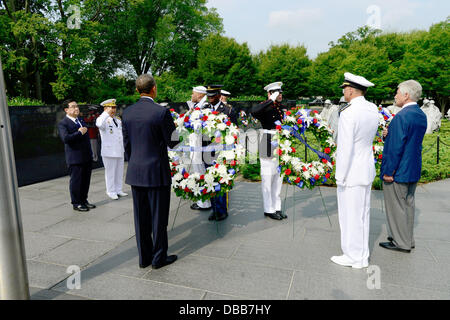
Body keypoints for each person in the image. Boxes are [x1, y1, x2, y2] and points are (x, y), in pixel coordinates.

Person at [122, 74, 178, 269]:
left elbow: (127, 145)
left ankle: (144, 258)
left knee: (141, 218)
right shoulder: (161, 112)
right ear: (153, 88)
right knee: (158, 218)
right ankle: (158, 258)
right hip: (156, 172)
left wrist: (136, 161)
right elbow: (174, 141)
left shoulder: (127, 112)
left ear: (138, 90)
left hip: (136, 171)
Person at [331, 72, 379, 269]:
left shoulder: (350, 112)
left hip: (351, 172)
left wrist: (339, 176)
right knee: (362, 215)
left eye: (345, 89)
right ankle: (361, 255)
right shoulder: (372, 108)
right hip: (366, 168)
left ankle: (352, 256)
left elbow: (345, 148)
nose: (344, 92)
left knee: (350, 216)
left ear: (350, 90)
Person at [379, 80, 427, 253]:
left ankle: (401, 242)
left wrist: (388, 171)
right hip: (412, 167)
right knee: (408, 205)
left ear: (406, 95)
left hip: (398, 170)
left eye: (397, 92)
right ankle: (408, 239)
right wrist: (389, 134)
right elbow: (409, 140)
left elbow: (395, 148)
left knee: (396, 208)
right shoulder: (419, 114)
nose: (395, 95)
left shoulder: (401, 116)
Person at [250, 82, 287, 221]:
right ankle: (268, 209)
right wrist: (270, 100)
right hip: (267, 140)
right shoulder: (265, 106)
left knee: (278, 176)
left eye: (281, 92)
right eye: (277, 93)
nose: (280, 95)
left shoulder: (280, 108)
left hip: (281, 141)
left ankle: (276, 207)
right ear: (270, 94)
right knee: (267, 176)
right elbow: (254, 112)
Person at [203, 84, 238, 221]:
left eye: (212, 95)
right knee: (210, 179)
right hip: (207, 150)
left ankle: (222, 210)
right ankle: (215, 209)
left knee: (222, 180)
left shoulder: (228, 110)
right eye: (208, 96)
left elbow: (235, 130)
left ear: (218, 95)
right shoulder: (204, 109)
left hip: (223, 151)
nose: (210, 98)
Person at [58, 100, 96, 212]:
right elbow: (65, 138)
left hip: (86, 156)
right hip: (75, 157)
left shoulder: (80, 120)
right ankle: (76, 203)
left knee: (85, 180)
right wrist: (79, 133)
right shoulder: (63, 123)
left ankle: (84, 200)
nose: (76, 108)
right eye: (73, 107)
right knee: (76, 181)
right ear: (66, 110)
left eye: (77, 106)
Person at [96, 99, 128, 200]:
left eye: (114, 107)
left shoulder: (117, 119)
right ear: (105, 108)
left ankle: (118, 189)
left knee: (119, 171)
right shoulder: (102, 119)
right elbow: (99, 124)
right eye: (111, 107)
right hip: (109, 151)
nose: (113, 110)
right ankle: (110, 191)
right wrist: (106, 113)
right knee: (110, 172)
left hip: (119, 149)